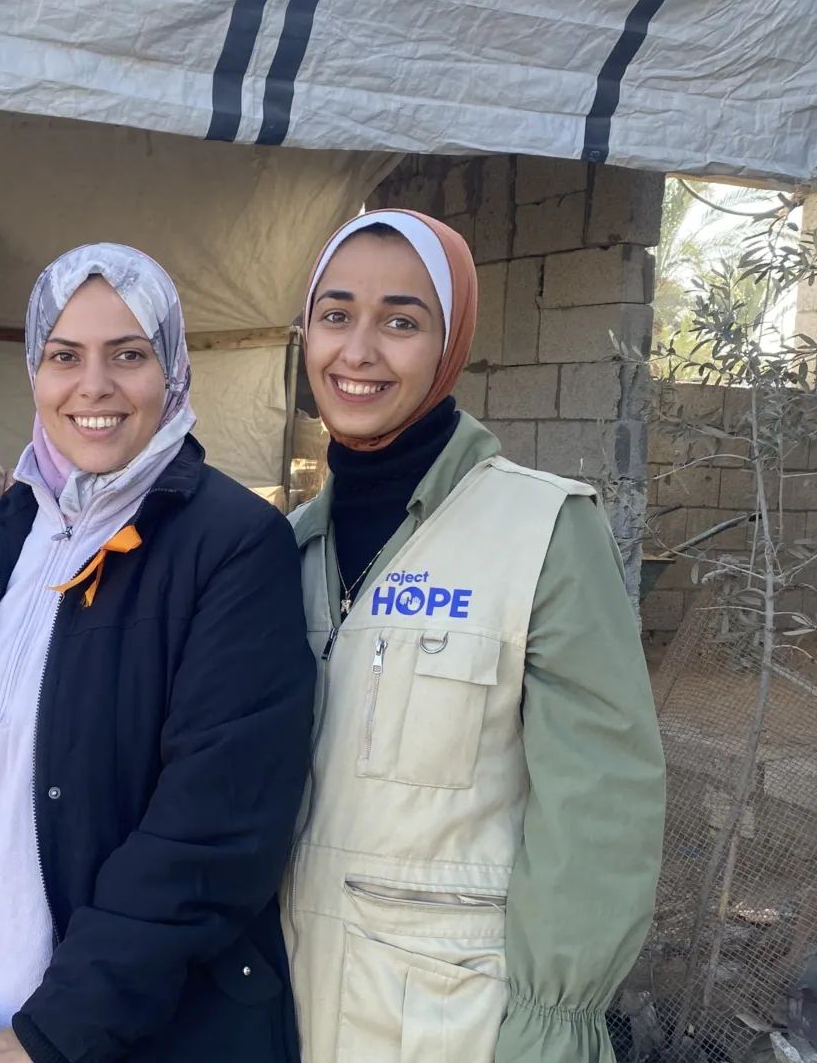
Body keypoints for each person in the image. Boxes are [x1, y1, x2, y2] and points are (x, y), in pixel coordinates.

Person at [0, 244, 315, 1063]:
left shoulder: (235, 547)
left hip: (140, 1032)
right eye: (65, 356)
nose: (93, 386)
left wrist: (53, 1032)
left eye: (128, 355)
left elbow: (211, 832)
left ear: (172, 370)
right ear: (35, 368)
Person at [278, 209, 666, 1062]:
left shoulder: (541, 530)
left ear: (450, 341)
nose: (359, 351)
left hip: (455, 1022)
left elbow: (602, 806)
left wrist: (550, 1027)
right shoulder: (291, 545)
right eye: (336, 315)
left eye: (402, 321)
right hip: (286, 1003)